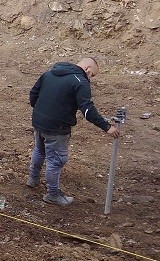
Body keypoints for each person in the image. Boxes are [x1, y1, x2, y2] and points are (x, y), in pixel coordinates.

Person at [27, 57, 119, 205]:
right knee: (56, 160)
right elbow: (88, 111)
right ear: (88, 69)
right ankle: (52, 194)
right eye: (92, 75)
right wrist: (107, 127)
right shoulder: (80, 82)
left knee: (39, 150)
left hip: (39, 121)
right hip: (57, 127)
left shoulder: (49, 73)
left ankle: (32, 179)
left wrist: (42, 112)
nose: (91, 78)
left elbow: (33, 95)